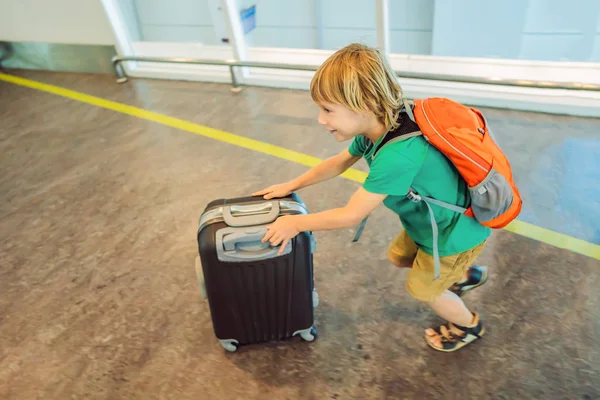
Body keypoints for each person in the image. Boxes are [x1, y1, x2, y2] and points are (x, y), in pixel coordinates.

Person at [252, 43, 490, 352]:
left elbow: (352, 214)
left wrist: (295, 224)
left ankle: (468, 326)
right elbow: (338, 162)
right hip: (431, 226)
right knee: (399, 257)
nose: (320, 120)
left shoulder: (398, 155)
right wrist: (293, 183)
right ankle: (463, 274)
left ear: (364, 105)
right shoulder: (380, 125)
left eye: (327, 110)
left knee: (425, 292)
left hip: (452, 237)